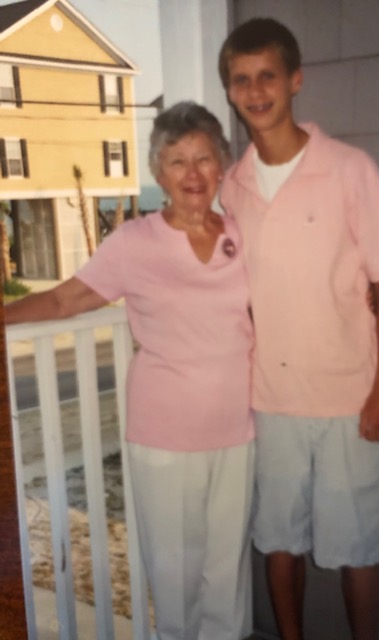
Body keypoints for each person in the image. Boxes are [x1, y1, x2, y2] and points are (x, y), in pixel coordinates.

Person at [6, 102, 255, 640]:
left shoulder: (244, 234)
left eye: (203, 159)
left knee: (228, 576)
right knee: (175, 575)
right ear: (158, 171)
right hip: (164, 437)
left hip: (239, 432)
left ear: (221, 165)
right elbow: (64, 300)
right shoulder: (135, 242)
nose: (192, 174)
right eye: (177, 161)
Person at [218, 18, 379, 640]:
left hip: (351, 397)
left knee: (359, 547)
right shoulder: (232, 187)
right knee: (279, 542)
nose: (255, 91)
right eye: (241, 80)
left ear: (295, 80)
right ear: (230, 91)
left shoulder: (350, 169)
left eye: (267, 75)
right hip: (271, 399)